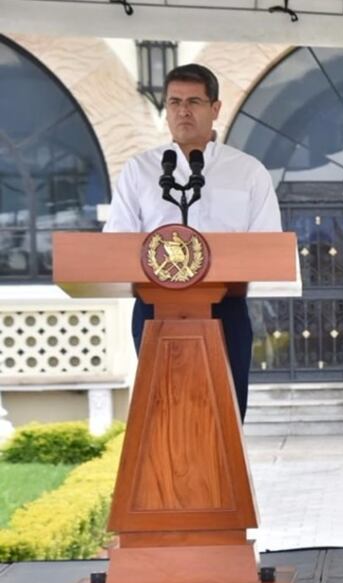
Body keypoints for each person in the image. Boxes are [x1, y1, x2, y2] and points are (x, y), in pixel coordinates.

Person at [104, 64, 282, 421]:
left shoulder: (248, 171)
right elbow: (116, 245)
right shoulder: (140, 170)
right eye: (174, 102)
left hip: (226, 308)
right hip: (155, 309)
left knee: (225, 416)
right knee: (165, 416)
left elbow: (268, 247)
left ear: (215, 108)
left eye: (194, 102)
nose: (183, 111)